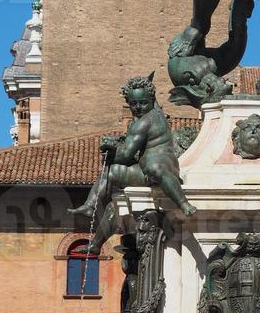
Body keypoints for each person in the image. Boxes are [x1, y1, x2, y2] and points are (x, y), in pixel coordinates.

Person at [70, 74, 196, 251]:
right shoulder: (156, 112)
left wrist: (111, 148)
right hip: (151, 168)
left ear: (151, 100)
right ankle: (94, 226)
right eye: (134, 104)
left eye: (143, 103)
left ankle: (183, 203)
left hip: (157, 170)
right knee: (113, 180)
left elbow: (126, 155)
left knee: (148, 168)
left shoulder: (143, 123)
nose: (138, 107)